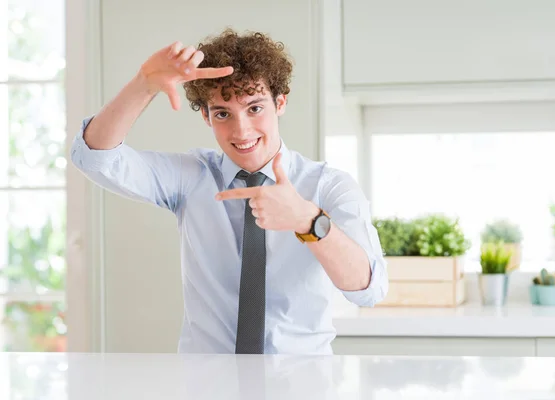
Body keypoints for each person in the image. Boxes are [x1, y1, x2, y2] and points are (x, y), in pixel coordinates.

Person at [70, 28, 388, 355]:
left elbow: (368, 289)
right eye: (223, 113)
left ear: (280, 103)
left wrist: (308, 220)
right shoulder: (191, 177)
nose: (241, 130)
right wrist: (144, 84)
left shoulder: (328, 185)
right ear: (207, 117)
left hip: (300, 383)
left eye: (255, 108)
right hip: (206, 384)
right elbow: (94, 158)